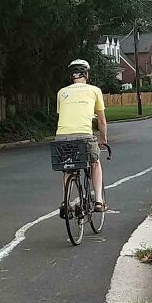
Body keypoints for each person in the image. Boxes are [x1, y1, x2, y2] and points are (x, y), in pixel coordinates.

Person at [55, 59, 108, 215]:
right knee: (95, 162)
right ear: (86, 74)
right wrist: (103, 139)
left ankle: (66, 200)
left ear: (72, 76)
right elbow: (102, 120)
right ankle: (99, 200)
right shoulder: (94, 90)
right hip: (84, 135)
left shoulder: (61, 92)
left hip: (62, 135)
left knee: (68, 168)